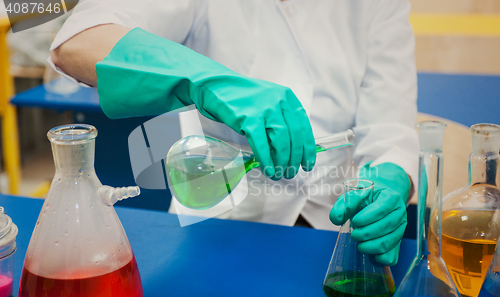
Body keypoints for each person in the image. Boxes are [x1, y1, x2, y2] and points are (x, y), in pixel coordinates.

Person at [50, 0, 419, 265]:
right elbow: (78, 41)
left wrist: (389, 181)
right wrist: (203, 79)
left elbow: (389, 130)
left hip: (331, 227)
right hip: (215, 220)